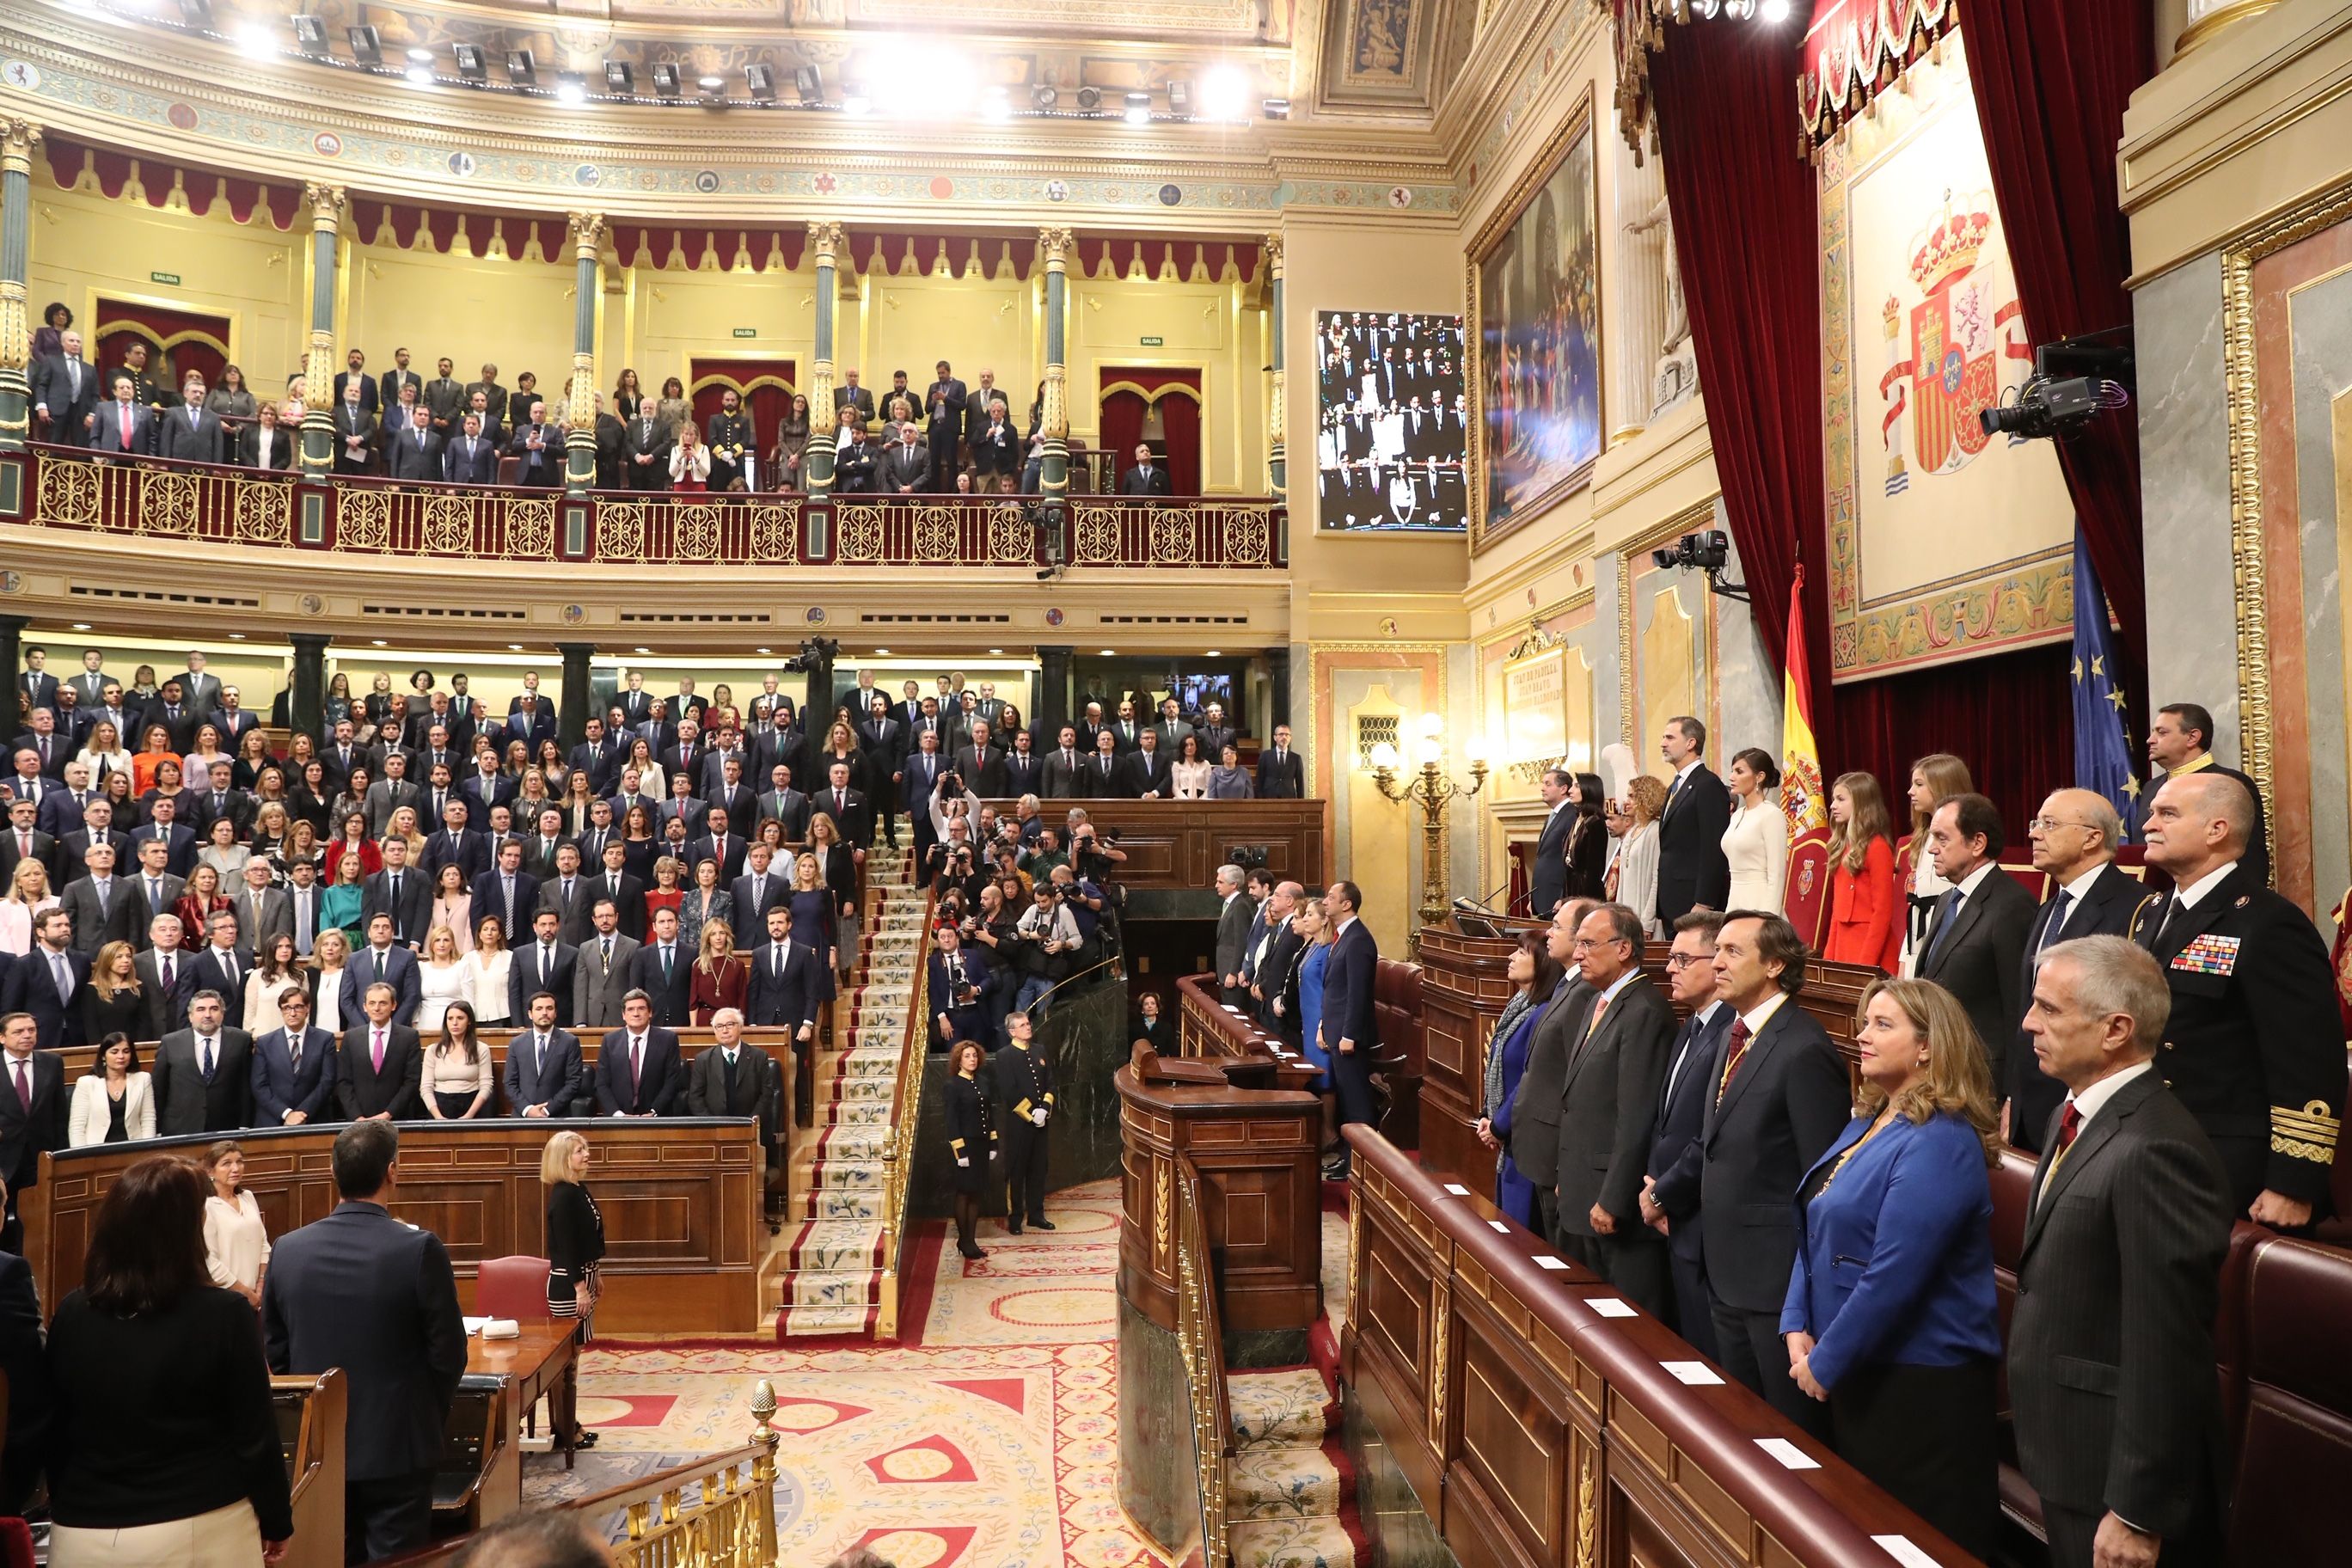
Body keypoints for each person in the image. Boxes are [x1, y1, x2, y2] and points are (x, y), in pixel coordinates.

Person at [2012, 936, 2233, 1568]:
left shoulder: (2158, 1149)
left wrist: (2138, 1509)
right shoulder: (2072, 1115)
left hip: (2114, 1476)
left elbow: (2167, 1343)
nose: (2028, 1023)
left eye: (2049, 1009)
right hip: (2068, 1451)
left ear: (2115, 1030)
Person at [1780, 978, 2001, 1557]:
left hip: (1919, 1386)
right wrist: (1796, 1320)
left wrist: (1826, 1361)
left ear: (1928, 1046)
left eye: (1883, 1025)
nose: (1862, 1035)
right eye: (1864, 1022)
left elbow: (1894, 1274)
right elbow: (1816, 1222)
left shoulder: (1942, 1139)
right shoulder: (1871, 1118)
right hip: (1859, 1365)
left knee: (1914, 1545)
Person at [46, 1155, 293, 1567]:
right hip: (199, 1524)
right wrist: (276, 1519)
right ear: (188, 1229)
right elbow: (254, 1434)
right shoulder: (224, 1314)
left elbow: (54, 1426)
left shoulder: (72, 1311)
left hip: (81, 1528)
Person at [2132, 770, 2342, 1222]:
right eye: (2152, 813)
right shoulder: (2151, 913)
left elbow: (2308, 1061)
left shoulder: (2268, 922)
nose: (2148, 824)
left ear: (2217, 829)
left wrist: (2293, 1183)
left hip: (2224, 1157)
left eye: (2167, 814)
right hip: (2151, 1139)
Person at [264, 1120, 468, 1563]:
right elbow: (450, 1354)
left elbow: (277, 1355)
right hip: (398, 1445)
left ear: (332, 1172)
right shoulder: (420, 1249)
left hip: (319, 1448)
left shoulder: (287, 1249)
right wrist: (423, 1412)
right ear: (392, 1172)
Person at [1694, 910, 1850, 1439]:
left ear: (1775, 964)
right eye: (1717, 950)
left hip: (1775, 1285)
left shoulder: (1804, 1047)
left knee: (1787, 1438)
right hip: (1725, 1270)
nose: (1717, 962)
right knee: (1742, 1430)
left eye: (1732, 951)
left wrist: (1801, 1300)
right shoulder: (1733, 1033)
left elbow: (1822, 1182)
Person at [1553, 903, 1675, 1319]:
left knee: (1627, 1325)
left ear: (1623, 948)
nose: (1578, 954)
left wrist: (1612, 1199)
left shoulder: (1644, 1011)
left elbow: (1636, 1117)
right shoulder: (1597, 1001)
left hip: (1614, 1205)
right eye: (1578, 943)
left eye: (1589, 944)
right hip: (1584, 1188)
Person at [2006, 790, 2142, 1154]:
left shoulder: (2136, 907)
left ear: (2092, 838)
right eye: (2036, 823)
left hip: (2087, 1112)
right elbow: (2026, 1010)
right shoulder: (2050, 907)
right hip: (2031, 1110)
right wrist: (2013, 1096)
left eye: (2049, 824)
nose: (2034, 834)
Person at [1638, 912, 1732, 1361]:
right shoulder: (1692, 1025)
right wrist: (1653, 1186)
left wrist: (1664, 1195)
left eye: (1682, 959)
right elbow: (1665, 1121)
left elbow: (1708, 1134)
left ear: (1717, 964)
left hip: (1696, 1220)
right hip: (1669, 1212)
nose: (1669, 968)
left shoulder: (1730, 1034)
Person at [1911, 793, 2035, 1097]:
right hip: (1943, 1072)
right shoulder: (1946, 900)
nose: (1932, 848)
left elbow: (2018, 1009)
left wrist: (2013, 1096)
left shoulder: (2012, 905)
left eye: (1942, 838)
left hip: (1983, 1081)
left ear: (1977, 843)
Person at [1475, 931, 1564, 1230]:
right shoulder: (1519, 1005)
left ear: (1544, 964)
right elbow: (1497, 1063)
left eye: (1522, 953)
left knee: (1520, 1234)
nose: (1511, 957)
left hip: (1524, 1141)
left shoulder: (1543, 1013)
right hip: (1507, 1137)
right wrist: (1487, 1114)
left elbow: (1530, 1079)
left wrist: (1498, 1125)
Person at [2144, 701, 2268, 887]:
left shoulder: (2230, 783)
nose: (2150, 740)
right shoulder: (2150, 788)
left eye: (2162, 732)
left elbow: (2250, 859)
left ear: (2192, 737)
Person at [542, 1129, 604, 1452]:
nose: (586, 1154)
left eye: (585, 1148)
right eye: (579, 1150)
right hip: (569, 1285)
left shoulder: (578, 1188)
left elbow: (587, 1240)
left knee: (574, 1359)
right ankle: (564, 1428)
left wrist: (597, 1276)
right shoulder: (563, 1196)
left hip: (584, 1279)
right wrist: (581, 1288)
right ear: (562, 1158)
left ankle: (569, 1423)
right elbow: (566, 1249)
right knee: (567, 1361)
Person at [1320, 879, 1381, 1175]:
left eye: (1331, 897)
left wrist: (1349, 1035)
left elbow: (1358, 993)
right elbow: (1334, 988)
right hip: (1336, 1031)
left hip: (1349, 1037)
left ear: (1347, 904)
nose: (1325, 901)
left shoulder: (1358, 940)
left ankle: (1362, 1162)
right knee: (1346, 1100)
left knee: (1357, 1102)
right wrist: (1324, 1026)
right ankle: (1348, 1156)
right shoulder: (1342, 936)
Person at [1897, 752, 1973, 976]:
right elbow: (1917, 906)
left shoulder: (1963, 838)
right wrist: (1905, 961)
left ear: (1942, 786)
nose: (1910, 791)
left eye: (1919, 784)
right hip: (1918, 939)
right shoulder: (1923, 837)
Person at [1654, 716, 1732, 923]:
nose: (1663, 743)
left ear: (1691, 743)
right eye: (1663, 737)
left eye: (1670, 738)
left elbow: (1714, 847)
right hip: (1672, 899)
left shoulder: (1708, 785)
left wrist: (1704, 902)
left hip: (1693, 902)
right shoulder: (1676, 786)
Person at [1821, 771, 1901, 972]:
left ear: (1861, 804)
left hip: (1871, 949)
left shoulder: (1877, 847)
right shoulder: (1841, 847)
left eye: (1841, 799)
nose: (1833, 806)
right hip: (1843, 947)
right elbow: (1836, 914)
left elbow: (1882, 913)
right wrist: (1828, 961)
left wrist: (1865, 966)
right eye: (1833, 799)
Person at [153, 987, 256, 1135]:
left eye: (214, 1009)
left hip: (226, 1127)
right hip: (180, 1127)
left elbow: (246, 1087)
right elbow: (159, 1089)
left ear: (222, 1014)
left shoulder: (241, 1040)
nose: (207, 1015)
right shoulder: (170, 1042)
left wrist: (245, 1124)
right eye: (201, 1009)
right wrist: (158, 1129)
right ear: (190, 1016)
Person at [996, 1009, 1053, 1232]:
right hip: (1019, 1124)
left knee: (1039, 1169)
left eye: (1028, 1023)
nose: (1028, 1027)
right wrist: (1032, 1114)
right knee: (1017, 1170)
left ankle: (1036, 1215)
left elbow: (1050, 1082)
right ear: (1012, 1031)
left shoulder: (1040, 1050)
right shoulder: (1005, 1055)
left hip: (1042, 1121)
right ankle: (1015, 1218)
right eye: (1022, 1025)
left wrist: (1044, 1109)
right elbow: (1009, 1090)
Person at [250, 984, 339, 1128]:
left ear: (308, 1008)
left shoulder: (325, 1039)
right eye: (287, 1008)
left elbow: (327, 1081)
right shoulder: (265, 1043)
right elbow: (259, 1085)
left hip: (315, 1119)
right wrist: (287, 1114)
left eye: (298, 1007)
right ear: (281, 1010)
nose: (292, 1013)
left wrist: (302, 1113)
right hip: (274, 1121)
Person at [943, 1038, 998, 1260]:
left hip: (982, 1144)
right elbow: (951, 1120)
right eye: (967, 1056)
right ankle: (964, 1240)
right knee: (964, 1192)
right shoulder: (953, 1085)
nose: (972, 1059)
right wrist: (960, 1152)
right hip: (966, 1145)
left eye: (974, 1056)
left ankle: (971, 1240)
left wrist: (993, 1142)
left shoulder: (983, 1082)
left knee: (977, 1192)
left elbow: (989, 1114)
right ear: (959, 1060)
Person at [339, 980, 425, 1120]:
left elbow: (412, 1080)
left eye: (383, 1003)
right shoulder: (351, 1038)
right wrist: (357, 1116)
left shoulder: (409, 1037)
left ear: (394, 1005)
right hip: (360, 1120)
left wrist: (388, 1114)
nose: (377, 1008)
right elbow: (343, 1081)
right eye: (372, 1003)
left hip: (398, 1119)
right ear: (365, 1007)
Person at [202, 1140, 271, 1308]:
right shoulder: (206, 1206)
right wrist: (246, 1294)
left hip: (258, 1295)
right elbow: (210, 1262)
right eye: (226, 1163)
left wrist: (261, 1283)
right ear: (210, 1171)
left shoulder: (247, 1197)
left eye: (239, 1162)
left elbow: (263, 1243)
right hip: (227, 1299)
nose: (235, 1168)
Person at [1719, 748, 1789, 915]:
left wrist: (1769, 918)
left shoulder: (1772, 815)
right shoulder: (1737, 815)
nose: (1731, 777)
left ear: (1759, 777)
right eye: (1732, 771)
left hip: (1761, 904)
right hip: (1734, 902)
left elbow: (1777, 875)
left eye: (1739, 771)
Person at [595, 989, 685, 1117]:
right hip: (618, 1118)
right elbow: (601, 1083)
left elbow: (672, 1081)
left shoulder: (668, 1039)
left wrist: (654, 1111)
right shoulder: (610, 1041)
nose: (636, 1014)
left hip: (657, 1118)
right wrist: (618, 1115)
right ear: (623, 1015)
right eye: (630, 1009)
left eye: (641, 1008)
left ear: (650, 1012)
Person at [67, 1031, 154, 1146]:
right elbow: (77, 1127)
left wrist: (147, 1150)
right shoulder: (86, 1083)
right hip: (95, 1150)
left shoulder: (143, 1079)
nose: (121, 1056)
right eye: (114, 1052)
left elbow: (148, 1120)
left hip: (134, 1148)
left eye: (126, 1051)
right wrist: (81, 1154)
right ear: (103, 1056)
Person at [423, 999, 493, 1119]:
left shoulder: (481, 1049)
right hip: (440, 1106)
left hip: (472, 1105)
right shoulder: (433, 1050)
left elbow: (486, 1086)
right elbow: (426, 1088)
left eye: (460, 1018)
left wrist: (469, 1116)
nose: (454, 1023)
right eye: (450, 1019)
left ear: (469, 1021)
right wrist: (438, 1117)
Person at [1614, 775, 1666, 935]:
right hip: (1627, 915)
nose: (1626, 801)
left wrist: (1647, 921)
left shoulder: (1655, 831)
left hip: (1644, 916)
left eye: (1632, 796)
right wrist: (1619, 915)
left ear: (1646, 798)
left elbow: (1656, 879)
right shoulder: (1632, 832)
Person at [416, 922, 472, 1035]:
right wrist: (414, 1022)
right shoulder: (422, 967)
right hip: (424, 1026)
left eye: (446, 940)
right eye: (437, 940)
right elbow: (416, 1000)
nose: (442, 944)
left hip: (454, 1027)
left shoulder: (462, 966)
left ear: (452, 944)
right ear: (432, 944)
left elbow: (469, 1001)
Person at [1564, 771, 1609, 902]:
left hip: (1587, 898)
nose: (1570, 790)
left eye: (1576, 786)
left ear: (1589, 790)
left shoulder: (1595, 824)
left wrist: (1582, 903)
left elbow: (1593, 871)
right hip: (1572, 893)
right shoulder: (1578, 821)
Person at [467, 913, 514, 1026]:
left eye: (494, 929)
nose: (489, 933)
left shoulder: (510, 957)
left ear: (499, 935)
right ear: (479, 934)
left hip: (503, 1016)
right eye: (485, 929)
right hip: (474, 1016)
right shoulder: (468, 958)